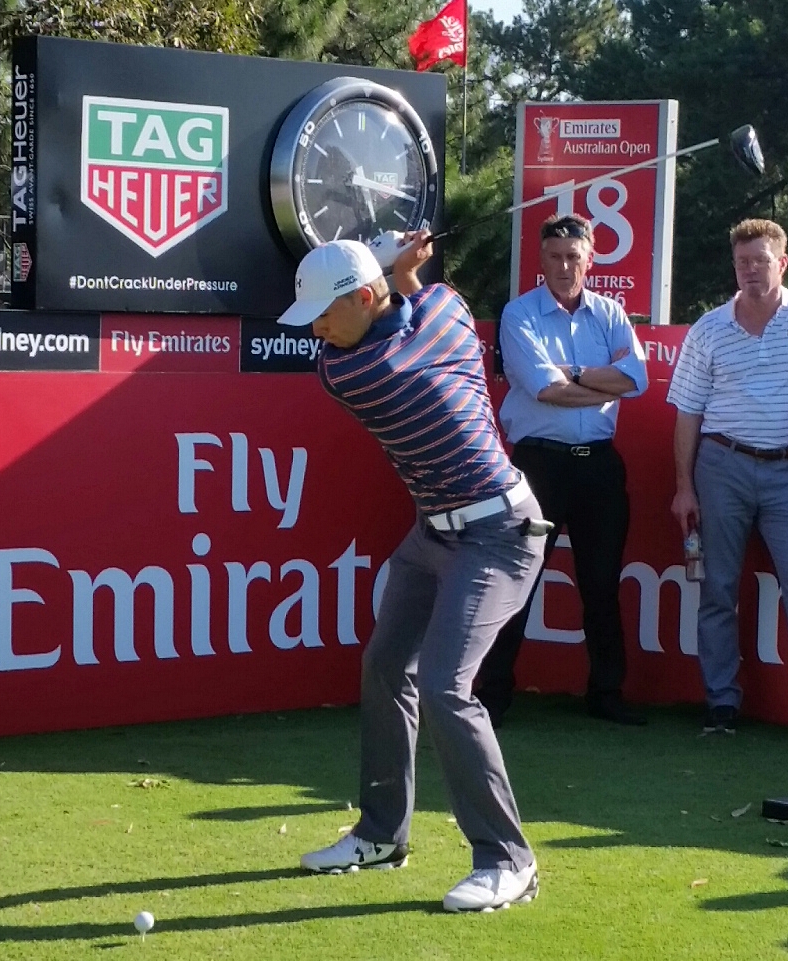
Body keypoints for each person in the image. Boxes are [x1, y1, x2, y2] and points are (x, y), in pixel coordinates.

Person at [277, 233, 549, 912]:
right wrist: (400, 271)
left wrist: (391, 264)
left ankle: (508, 859)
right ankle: (380, 832)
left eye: (325, 314)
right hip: (434, 532)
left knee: (445, 684)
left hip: (500, 535)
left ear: (365, 298)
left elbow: (391, 321)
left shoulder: (356, 372)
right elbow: (413, 304)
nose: (317, 329)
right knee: (385, 663)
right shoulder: (449, 316)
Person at [668, 218, 788, 748]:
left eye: (760, 260)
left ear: (782, 263)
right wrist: (684, 486)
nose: (750, 270)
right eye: (742, 261)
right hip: (720, 465)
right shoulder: (709, 328)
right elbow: (687, 415)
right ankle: (721, 703)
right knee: (718, 589)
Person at [476, 212, 648, 728]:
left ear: (590, 259)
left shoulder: (611, 314)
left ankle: (606, 694)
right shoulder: (519, 314)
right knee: (517, 581)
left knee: (601, 583)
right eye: (554, 256)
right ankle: (493, 694)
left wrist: (571, 372)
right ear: (541, 261)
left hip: (599, 468)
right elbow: (541, 389)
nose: (564, 266)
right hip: (538, 467)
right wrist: (599, 385)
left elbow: (636, 378)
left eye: (574, 256)